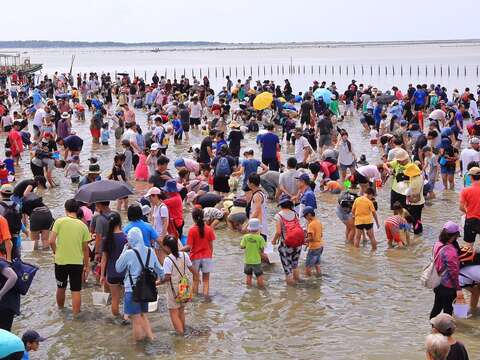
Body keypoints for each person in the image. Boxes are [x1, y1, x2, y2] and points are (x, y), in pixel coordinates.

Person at [115, 228, 164, 342]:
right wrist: (164, 278)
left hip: (132, 290)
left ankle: (138, 348)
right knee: (142, 315)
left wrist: (124, 250)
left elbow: (118, 268)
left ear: (131, 239)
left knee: (135, 319)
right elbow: (159, 269)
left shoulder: (129, 253)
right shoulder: (151, 251)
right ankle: (151, 339)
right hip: (147, 289)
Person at [49, 199, 90, 315]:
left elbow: (51, 241)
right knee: (76, 290)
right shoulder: (83, 226)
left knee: (61, 287)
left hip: (61, 261)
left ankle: (61, 311)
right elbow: (85, 249)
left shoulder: (59, 222)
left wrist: (56, 252)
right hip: (77, 262)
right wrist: (87, 265)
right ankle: (76, 316)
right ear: (77, 210)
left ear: (65, 209)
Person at [160, 235, 198, 335]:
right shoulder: (185, 255)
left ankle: (180, 335)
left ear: (167, 247)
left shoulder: (168, 260)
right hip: (184, 286)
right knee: (181, 310)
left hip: (173, 289)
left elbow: (167, 278)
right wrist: (196, 280)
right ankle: (183, 329)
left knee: (173, 312)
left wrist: (157, 283)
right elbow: (193, 270)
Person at [430, 221, 464, 319]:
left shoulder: (437, 244)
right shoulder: (451, 251)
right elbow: (453, 272)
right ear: (455, 235)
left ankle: (432, 329)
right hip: (448, 287)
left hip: (438, 282)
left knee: (436, 308)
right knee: (448, 312)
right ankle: (446, 332)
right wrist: (458, 289)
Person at [183, 208, 215, 298]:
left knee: (195, 279)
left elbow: (189, 247)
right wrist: (210, 256)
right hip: (207, 257)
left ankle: (195, 299)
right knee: (206, 281)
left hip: (195, 257)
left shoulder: (192, 230)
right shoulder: (209, 229)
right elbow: (211, 245)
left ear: (193, 218)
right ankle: (206, 298)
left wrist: (178, 250)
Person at [100, 213, 127, 317]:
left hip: (112, 273)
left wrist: (102, 275)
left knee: (115, 299)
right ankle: (126, 318)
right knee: (126, 298)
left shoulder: (106, 239)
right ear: (120, 222)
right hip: (125, 272)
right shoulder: (126, 237)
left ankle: (117, 319)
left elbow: (104, 258)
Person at [272, 194, 302, 285]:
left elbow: (278, 232)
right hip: (297, 244)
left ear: (281, 204)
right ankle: (298, 284)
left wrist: (274, 241)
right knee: (295, 265)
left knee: (287, 269)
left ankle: (291, 292)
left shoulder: (279, 216)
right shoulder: (295, 214)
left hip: (286, 245)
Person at [240, 218, 266, 288]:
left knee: (248, 275)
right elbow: (262, 249)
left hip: (247, 261)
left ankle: (248, 288)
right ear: (258, 229)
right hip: (257, 261)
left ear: (249, 229)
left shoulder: (245, 237)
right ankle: (261, 288)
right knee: (259, 275)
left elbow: (242, 247)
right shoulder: (260, 238)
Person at [459, 167, 480, 247]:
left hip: (471, 221)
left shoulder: (465, 190)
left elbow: (461, 207)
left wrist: (469, 212)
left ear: (471, 177)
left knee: (468, 247)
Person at [404, 163, 425, 234]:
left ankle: (417, 233)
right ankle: (420, 231)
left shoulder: (414, 182)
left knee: (414, 219)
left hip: (414, 203)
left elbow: (409, 193)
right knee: (418, 218)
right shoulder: (420, 177)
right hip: (421, 201)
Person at [303, 206, 324, 277]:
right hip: (320, 246)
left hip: (314, 248)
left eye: (305, 216)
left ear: (309, 215)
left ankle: (309, 282)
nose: (305, 218)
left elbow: (311, 238)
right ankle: (319, 277)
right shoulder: (318, 222)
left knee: (307, 267)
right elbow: (321, 235)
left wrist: (302, 240)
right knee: (317, 264)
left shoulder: (311, 225)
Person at [0, 258, 19, 331]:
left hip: (6, 305)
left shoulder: (1, 263)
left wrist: (1, 294)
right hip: (7, 303)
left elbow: (13, 277)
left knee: (4, 332)